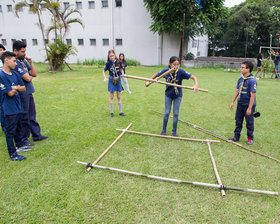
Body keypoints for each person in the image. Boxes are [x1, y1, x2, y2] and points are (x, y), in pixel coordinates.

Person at [149, 56, 198, 137]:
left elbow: (193, 77)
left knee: (175, 113)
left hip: (177, 96)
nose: (175, 66)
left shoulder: (181, 72)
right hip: (168, 95)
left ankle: (174, 132)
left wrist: (196, 84)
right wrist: (149, 81)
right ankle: (163, 130)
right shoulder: (166, 71)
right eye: (174, 64)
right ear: (170, 64)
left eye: (177, 65)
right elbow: (156, 75)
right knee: (167, 112)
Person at [13, 40, 48, 146]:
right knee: (25, 116)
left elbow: (34, 74)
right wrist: (29, 75)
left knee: (32, 114)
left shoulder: (23, 61)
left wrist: (31, 62)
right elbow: (28, 78)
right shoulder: (16, 63)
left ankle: (36, 135)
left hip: (29, 91)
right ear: (15, 51)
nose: (24, 54)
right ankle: (24, 138)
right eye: (22, 52)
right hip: (22, 92)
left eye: (25, 51)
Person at [0, 51, 29, 161]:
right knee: (10, 131)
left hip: (18, 106)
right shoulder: (1, 75)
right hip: (9, 108)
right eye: (13, 61)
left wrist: (14, 88)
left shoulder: (15, 74)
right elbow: (9, 93)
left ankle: (20, 145)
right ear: (6, 60)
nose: (16, 64)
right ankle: (12, 153)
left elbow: (24, 88)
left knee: (18, 128)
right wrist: (17, 88)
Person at [229, 61, 257, 145]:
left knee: (249, 122)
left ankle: (250, 138)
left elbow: (253, 95)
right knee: (238, 121)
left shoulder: (252, 81)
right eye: (241, 67)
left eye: (242, 67)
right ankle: (236, 136)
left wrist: (249, 108)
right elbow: (237, 91)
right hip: (240, 104)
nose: (241, 69)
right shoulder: (240, 79)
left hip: (248, 105)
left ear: (248, 69)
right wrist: (232, 102)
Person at [103, 50, 126, 117]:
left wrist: (123, 74)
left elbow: (121, 69)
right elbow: (103, 71)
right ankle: (112, 112)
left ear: (114, 55)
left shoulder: (118, 61)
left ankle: (120, 112)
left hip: (118, 79)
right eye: (110, 56)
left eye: (113, 55)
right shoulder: (108, 63)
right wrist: (105, 77)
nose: (112, 57)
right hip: (111, 79)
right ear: (109, 56)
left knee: (119, 96)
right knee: (111, 96)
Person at [0, 44, 7, 133]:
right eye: (0, 50)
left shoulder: (5, 61)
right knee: (2, 107)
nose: (1, 51)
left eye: (2, 50)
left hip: (7, 85)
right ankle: (5, 127)